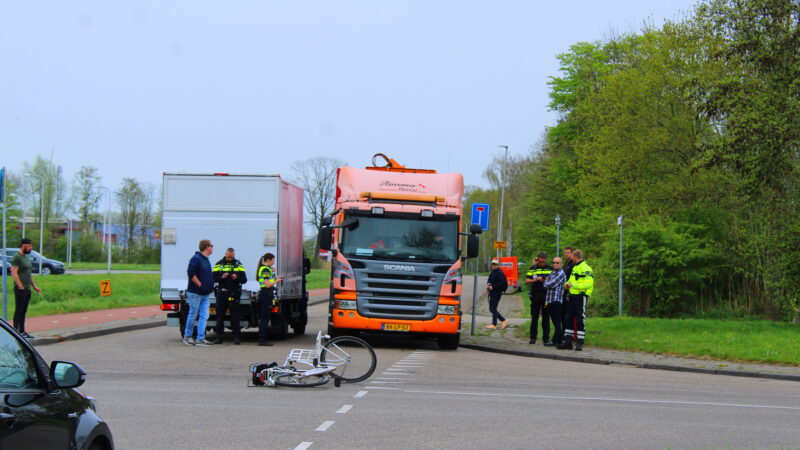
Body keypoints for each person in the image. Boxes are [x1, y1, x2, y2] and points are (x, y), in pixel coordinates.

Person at [558, 249, 594, 351]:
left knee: (580, 319)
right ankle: (568, 342)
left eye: (572, 256)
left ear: (575, 257)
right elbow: (571, 280)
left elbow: (589, 283)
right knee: (568, 318)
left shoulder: (586, 268)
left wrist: (573, 285)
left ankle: (579, 342)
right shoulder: (575, 267)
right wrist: (566, 285)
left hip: (581, 296)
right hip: (572, 296)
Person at [212, 248, 247, 345]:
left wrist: (237, 277)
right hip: (222, 293)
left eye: (232, 257)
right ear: (225, 254)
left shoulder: (238, 264)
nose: (230, 258)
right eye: (228, 257)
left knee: (235, 317)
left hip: (234, 293)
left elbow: (244, 279)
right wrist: (221, 277)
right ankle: (219, 337)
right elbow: (213, 278)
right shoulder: (219, 264)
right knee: (220, 317)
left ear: (234, 255)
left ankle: (236, 337)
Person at [183, 239, 215, 346]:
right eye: (211, 245)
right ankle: (187, 336)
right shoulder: (196, 258)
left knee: (204, 316)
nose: (212, 247)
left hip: (205, 293)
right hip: (195, 292)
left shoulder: (206, 259)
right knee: (193, 314)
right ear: (207, 247)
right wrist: (200, 284)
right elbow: (190, 273)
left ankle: (200, 338)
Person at [10, 238, 41, 339]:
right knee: (18, 310)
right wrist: (20, 286)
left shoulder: (25, 257)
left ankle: (22, 331)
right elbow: (14, 272)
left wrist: (34, 286)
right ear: (24, 246)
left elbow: (29, 274)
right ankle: (16, 332)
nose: (31, 248)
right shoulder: (17, 257)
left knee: (24, 310)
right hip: (21, 288)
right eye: (29, 246)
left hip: (27, 288)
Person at [524, 252, 552, 344]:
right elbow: (526, 280)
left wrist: (544, 280)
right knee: (534, 318)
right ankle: (533, 338)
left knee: (546, 318)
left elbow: (553, 280)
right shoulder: (533, 269)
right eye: (540, 262)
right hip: (535, 296)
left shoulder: (550, 268)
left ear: (546, 260)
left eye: (544, 262)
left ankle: (546, 339)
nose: (542, 264)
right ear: (538, 260)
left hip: (546, 296)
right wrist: (535, 280)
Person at [256, 252, 283, 346]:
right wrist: (277, 281)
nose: (273, 262)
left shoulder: (267, 269)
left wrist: (275, 277)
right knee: (265, 318)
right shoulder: (265, 270)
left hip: (266, 295)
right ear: (268, 260)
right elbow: (267, 285)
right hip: (265, 295)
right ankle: (262, 339)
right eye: (273, 260)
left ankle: (263, 338)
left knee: (265, 318)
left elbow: (269, 280)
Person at [543, 257, 567, 347]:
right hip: (549, 300)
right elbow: (545, 284)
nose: (555, 264)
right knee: (554, 322)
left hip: (556, 301)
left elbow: (551, 284)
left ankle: (558, 341)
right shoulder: (552, 273)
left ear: (561, 264)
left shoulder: (561, 274)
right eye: (554, 262)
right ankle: (556, 340)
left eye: (557, 263)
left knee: (557, 322)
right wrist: (547, 283)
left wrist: (547, 282)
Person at [485, 259, 508, 330]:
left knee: (493, 308)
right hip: (492, 293)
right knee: (491, 309)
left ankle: (494, 324)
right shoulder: (492, 272)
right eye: (493, 264)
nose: (494, 266)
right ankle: (503, 320)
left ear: (498, 265)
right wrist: (488, 284)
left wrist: (493, 286)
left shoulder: (500, 273)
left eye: (495, 264)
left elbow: (502, 283)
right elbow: (489, 279)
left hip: (497, 293)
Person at [560, 246, 575, 343]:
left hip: (571, 293)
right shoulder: (565, 265)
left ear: (572, 253)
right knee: (563, 315)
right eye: (565, 253)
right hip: (563, 293)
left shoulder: (574, 265)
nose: (566, 254)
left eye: (568, 253)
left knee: (569, 316)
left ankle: (570, 336)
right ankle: (564, 335)